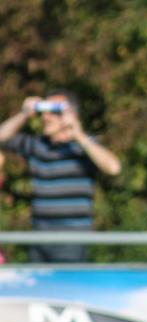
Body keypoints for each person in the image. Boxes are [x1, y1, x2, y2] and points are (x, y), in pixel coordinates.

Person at [0, 90, 121, 263]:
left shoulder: (83, 147)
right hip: (39, 238)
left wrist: (78, 133)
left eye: (54, 112)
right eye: (44, 112)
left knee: (68, 289)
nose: (46, 118)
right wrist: (23, 115)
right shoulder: (38, 145)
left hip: (72, 240)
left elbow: (113, 167)